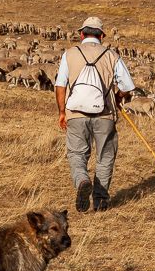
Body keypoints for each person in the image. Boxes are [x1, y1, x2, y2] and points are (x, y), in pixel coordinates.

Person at [54, 17, 135, 213]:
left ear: (81, 34)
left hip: (76, 114)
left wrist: (62, 112)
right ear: (102, 35)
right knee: (105, 156)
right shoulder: (111, 55)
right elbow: (128, 86)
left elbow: (60, 85)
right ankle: (100, 201)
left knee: (76, 153)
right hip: (104, 114)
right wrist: (116, 97)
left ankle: (82, 180)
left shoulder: (70, 54)